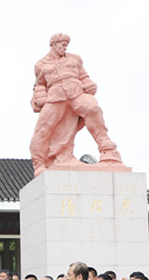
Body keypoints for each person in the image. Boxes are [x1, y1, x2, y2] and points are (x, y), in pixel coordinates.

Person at [29, 33, 122, 175]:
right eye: (62, 45)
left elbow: (84, 76)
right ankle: (39, 163)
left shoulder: (75, 59)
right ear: (54, 45)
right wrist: (40, 96)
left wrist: (89, 84)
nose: (65, 48)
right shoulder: (41, 65)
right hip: (55, 98)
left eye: (66, 45)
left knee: (93, 108)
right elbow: (40, 84)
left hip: (76, 94)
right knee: (43, 128)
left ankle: (106, 145)